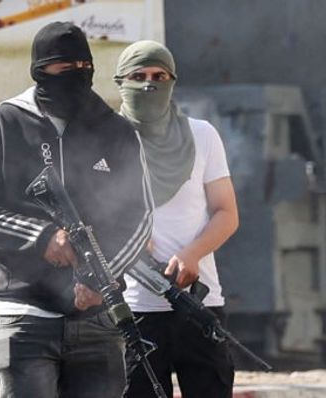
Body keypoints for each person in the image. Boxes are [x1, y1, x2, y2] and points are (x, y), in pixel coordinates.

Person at [0, 22, 153, 397]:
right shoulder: (3, 124)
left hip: (98, 320)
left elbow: (140, 216)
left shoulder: (115, 130)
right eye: (65, 71)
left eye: (85, 69)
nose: (77, 78)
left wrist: (102, 277)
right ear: (40, 71)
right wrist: (42, 237)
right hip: (26, 314)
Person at [116, 41, 239, 398]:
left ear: (172, 81)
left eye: (159, 75)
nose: (148, 85)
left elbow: (227, 212)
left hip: (199, 305)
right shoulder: (105, 139)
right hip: (133, 310)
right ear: (120, 81)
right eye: (137, 76)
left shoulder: (202, 135)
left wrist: (192, 255)